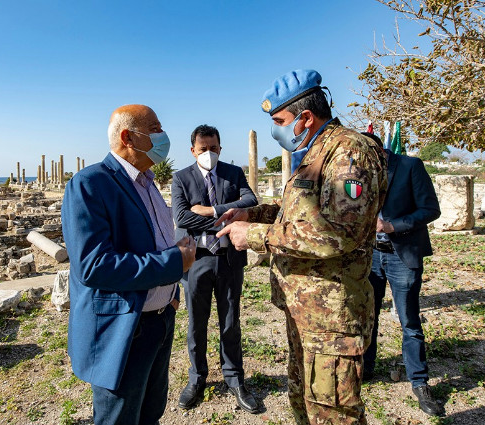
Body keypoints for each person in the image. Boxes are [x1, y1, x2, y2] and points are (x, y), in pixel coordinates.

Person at [216, 69, 388, 424]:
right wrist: (252, 213)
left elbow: (338, 232)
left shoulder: (348, 152)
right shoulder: (317, 153)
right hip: (307, 310)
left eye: (280, 120)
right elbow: (300, 213)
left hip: (332, 315)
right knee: (305, 404)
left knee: (332, 413)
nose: (276, 129)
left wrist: (254, 236)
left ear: (306, 118)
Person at [61, 104, 196, 425]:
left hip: (159, 322)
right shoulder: (90, 184)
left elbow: (155, 241)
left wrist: (170, 293)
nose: (164, 136)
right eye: (156, 128)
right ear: (128, 137)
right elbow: (94, 266)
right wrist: (174, 264)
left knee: (151, 413)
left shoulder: (147, 182)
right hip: (124, 330)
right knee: (119, 418)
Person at [171, 124, 259, 413]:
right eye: (203, 148)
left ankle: (234, 378)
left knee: (231, 322)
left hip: (229, 259)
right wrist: (231, 217)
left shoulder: (233, 173)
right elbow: (182, 217)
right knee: (196, 322)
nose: (208, 153)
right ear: (193, 150)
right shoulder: (181, 177)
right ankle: (197, 379)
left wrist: (211, 211)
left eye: (213, 148)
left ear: (220, 148)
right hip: (196, 260)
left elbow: (250, 201)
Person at [361, 132, 442, 416]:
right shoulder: (359, 172)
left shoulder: (410, 166)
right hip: (369, 256)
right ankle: (366, 369)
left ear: (379, 150)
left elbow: (431, 210)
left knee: (409, 321)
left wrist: (394, 225)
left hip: (401, 254)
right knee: (368, 316)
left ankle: (419, 383)